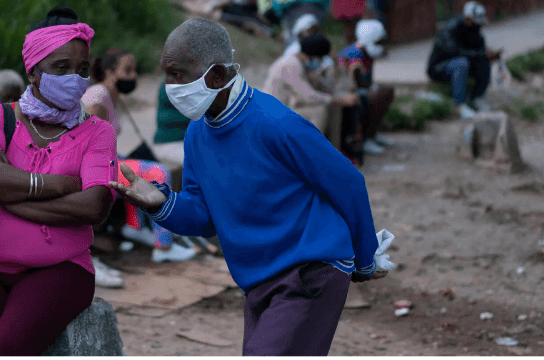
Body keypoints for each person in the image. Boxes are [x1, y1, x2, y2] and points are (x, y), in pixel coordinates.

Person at [111, 18, 388, 356]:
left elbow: (348, 182)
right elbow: (202, 215)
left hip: (309, 271)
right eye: (167, 75)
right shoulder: (198, 133)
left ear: (215, 76)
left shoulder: (274, 123)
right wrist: (160, 204)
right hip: (258, 279)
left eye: (178, 75)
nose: (170, 87)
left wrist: (364, 260)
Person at [0, 7, 117, 356]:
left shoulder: (97, 132)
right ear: (33, 72)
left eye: (82, 69)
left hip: (61, 271)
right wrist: (57, 185)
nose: (75, 78)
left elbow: (95, 205)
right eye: (61, 68)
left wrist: (9, 196)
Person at [82, 48, 196, 264]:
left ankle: (134, 227)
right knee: (158, 172)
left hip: (106, 160)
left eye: (134, 70)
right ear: (109, 72)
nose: (133, 76)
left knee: (142, 167)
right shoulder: (97, 99)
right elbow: (91, 150)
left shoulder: (110, 95)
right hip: (94, 168)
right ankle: (164, 247)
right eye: (127, 70)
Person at [262, 32, 360, 134]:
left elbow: (327, 88)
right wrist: (339, 100)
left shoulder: (300, 64)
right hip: (274, 115)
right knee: (319, 110)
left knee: (333, 107)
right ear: (314, 56)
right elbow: (309, 96)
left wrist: (334, 66)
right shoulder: (291, 65)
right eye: (320, 58)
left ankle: (334, 147)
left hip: (285, 108)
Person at [427, 1, 501, 119]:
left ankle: (476, 98)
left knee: (482, 60)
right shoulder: (450, 30)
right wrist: (480, 54)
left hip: (461, 63)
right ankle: (459, 106)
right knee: (462, 63)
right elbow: (455, 52)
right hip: (439, 67)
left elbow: (478, 50)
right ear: (468, 20)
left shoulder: (475, 31)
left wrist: (489, 54)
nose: (479, 26)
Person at [337, 20, 396, 158]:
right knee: (375, 97)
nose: (381, 46)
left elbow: (367, 81)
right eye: (378, 42)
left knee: (386, 92)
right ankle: (365, 138)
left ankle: (372, 133)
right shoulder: (353, 55)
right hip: (348, 93)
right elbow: (350, 83)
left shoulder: (367, 54)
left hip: (360, 90)